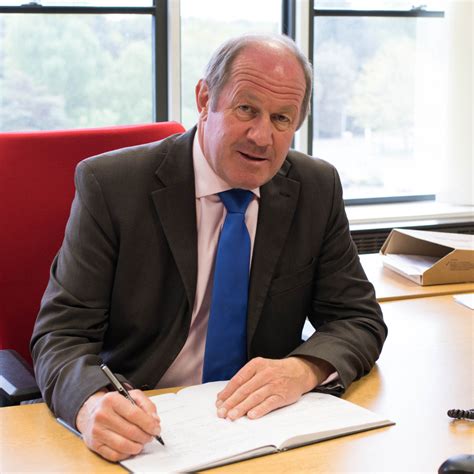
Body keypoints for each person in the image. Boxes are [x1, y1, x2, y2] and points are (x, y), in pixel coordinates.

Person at [31, 33, 387, 462]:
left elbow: (358, 318)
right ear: (204, 99)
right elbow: (60, 336)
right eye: (246, 109)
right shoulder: (112, 186)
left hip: (263, 430)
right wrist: (91, 405)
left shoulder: (315, 187)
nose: (262, 136)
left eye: (281, 119)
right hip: (146, 430)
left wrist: (303, 369)